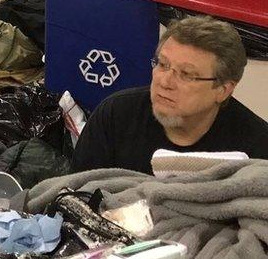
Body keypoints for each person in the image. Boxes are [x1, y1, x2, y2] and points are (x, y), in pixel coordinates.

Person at [72, 16, 268, 174]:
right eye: (163, 64)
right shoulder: (115, 115)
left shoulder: (257, 149)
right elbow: (74, 197)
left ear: (223, 89)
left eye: (186, 74)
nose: (164, 82)